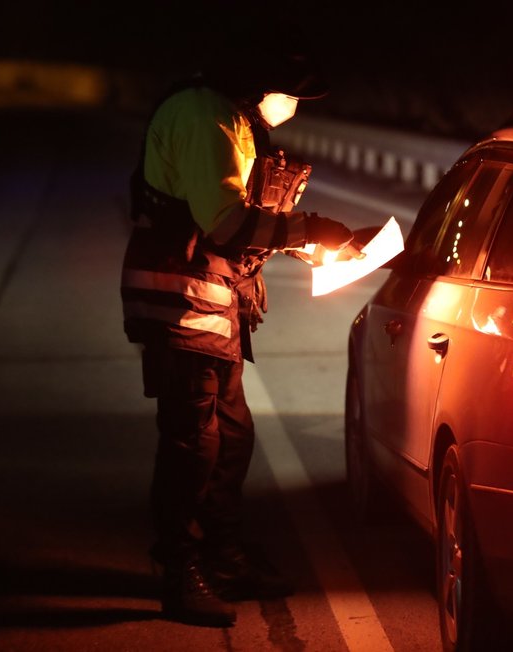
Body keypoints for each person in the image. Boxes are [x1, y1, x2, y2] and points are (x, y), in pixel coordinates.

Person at [120, 47, 359, 627]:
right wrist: (310, 228)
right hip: (181, 305)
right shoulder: (206, 119)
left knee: (230, 436)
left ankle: (222, 556)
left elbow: (242, 218)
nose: (293, 106)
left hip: (211, 305)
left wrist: (306, 244)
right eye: (291, 93)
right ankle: (181, 571)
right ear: (259, 81)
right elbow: (226, 224)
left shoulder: (233, 119)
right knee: (192, 442)